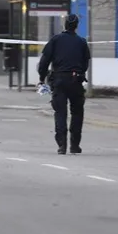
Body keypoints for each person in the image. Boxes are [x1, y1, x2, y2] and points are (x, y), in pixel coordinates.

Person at [37, 13, 91, 155]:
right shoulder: (82, 42)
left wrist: (42, 78)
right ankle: (75, 144)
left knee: (60, 112)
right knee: (77, 113)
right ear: (77, 26)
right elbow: (86, 62)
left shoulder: (55, 40)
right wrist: (79, 72)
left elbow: (44, 62)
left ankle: (62, 145)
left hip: (59, 80)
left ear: (64, 25)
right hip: (76, 80)